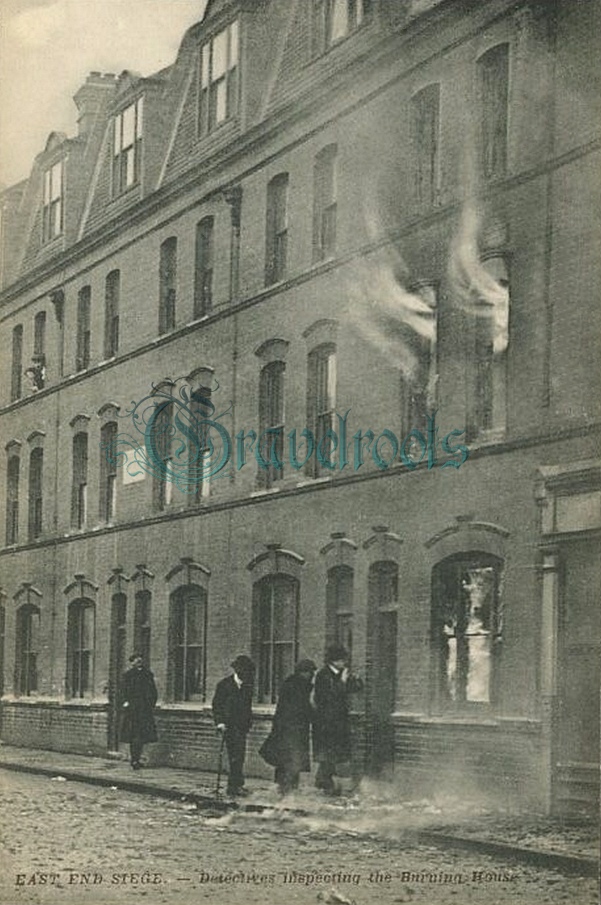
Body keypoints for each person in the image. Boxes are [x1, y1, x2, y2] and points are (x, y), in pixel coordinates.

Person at [313, 644, 363, 795]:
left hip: (339, 721)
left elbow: (355, 689)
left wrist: (356, 680)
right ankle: (325, 782)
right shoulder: (323, 675)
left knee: (334, 754)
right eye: (341, 660)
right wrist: (341, 681)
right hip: (326, 722)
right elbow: (328, 697)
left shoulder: (342, 673)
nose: (344, 663)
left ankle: (324, 781)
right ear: (334, 661)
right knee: (330, 753)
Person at [269, 659, 317, 796]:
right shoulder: (298, 686)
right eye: (310, 673)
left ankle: (285, 786)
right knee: (291, 759)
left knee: (287, 759)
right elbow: (301, 708)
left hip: (287, 728)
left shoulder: (291, 683)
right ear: (304, 672)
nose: (312, 676)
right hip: (292, 729)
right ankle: (287, 788)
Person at [212, 654, 255, 797]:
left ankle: (236, 785)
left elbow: (247, 707)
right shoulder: (224, 685)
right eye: (244, 671)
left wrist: (248, 722)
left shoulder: (247, 686)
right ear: (237, 671)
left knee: (239, 755)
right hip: (228, 726)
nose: (247, 674)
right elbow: (217, 705)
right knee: (235, 756)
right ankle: (234, 786)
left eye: (249, 671)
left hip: (241, 726)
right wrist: (220, 723)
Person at [120, 653, 158, 770]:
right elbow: (122, 691)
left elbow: (153, 691)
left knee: (142, 736)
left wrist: (151, 704)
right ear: (131, 663)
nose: (138, 663)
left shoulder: (147, 675)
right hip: (132, 711)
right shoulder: (128, 676)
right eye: (136, 661)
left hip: (145, 710)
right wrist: (125, 702)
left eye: (140, 661)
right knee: (134, 736)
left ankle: (138, 758)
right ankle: (134, 759)